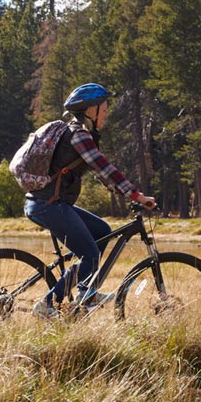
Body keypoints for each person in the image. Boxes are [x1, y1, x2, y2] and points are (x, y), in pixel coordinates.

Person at [15, 83, 157, 318]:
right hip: (48, 205)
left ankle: (86, 292)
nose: (107, 113)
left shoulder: (81, 135)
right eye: (104, 108)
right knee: (89, 254)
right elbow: (106, 169)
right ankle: (48, 303)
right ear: (91, 110)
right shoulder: (79, 135)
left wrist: (126, 193)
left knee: (101, 230)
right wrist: (138, 196)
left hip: (49, 203)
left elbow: (104, 176)